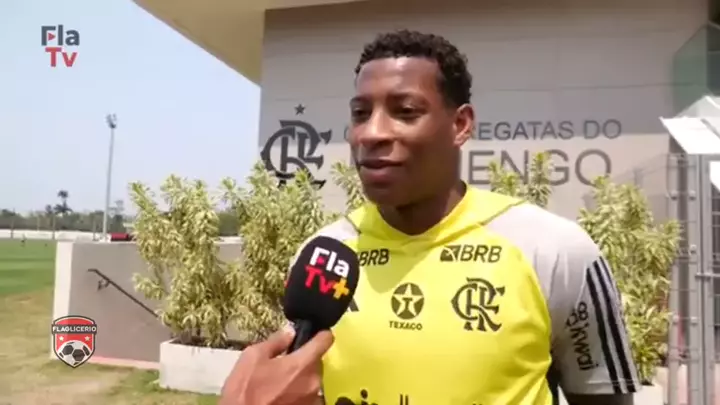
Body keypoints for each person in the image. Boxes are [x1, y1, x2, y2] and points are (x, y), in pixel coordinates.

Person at [221, 30, 640, 405]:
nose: (371, 133)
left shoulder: (553, 250)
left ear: (460, 125)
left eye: (405, 111)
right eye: (360, 113)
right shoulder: (325, 256)